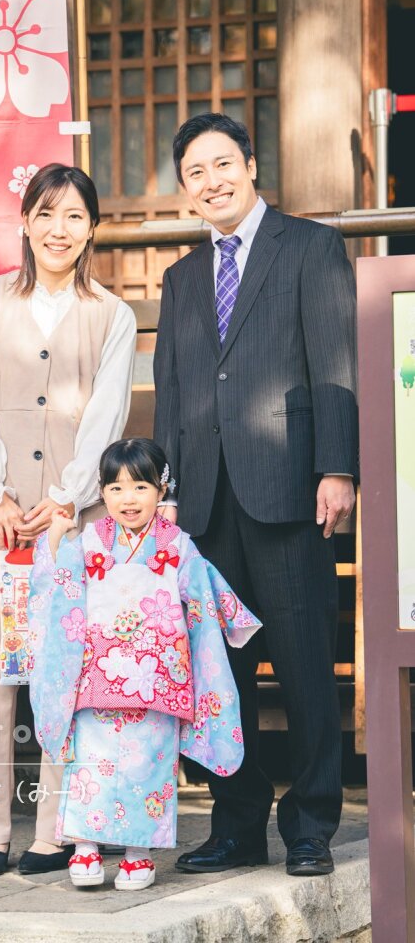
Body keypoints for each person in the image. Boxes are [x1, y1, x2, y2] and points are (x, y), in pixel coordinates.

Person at [153, 113, 358, 877]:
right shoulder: (180, 278)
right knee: (221, 675)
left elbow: (333, 362)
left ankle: (310, 824)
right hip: (205, 504)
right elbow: (171, 394)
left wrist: (336, 468)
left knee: (303, 665)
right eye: (194, 173)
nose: (211, 182)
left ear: (249, 164)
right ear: (185, 191)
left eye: (221, 164)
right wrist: (167, 495)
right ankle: (237, 825)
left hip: (289, 489)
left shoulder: (308, 246)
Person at [0, 164, 137, 877]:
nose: (58, 229)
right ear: (25, 222)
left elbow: (107, 412)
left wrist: (70, 496)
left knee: (63, 677)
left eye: (74, 216)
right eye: (46, 213)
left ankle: (54, 829)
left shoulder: (112, 315)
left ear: (92, 229)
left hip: (69, 523)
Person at [27, 438, 261, 890]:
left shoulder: (178, 545)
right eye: (115, 488)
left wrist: (229, 617)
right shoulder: (89, 541)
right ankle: (85, 847)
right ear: (102, 492)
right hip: (97, 676)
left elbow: (201, 595)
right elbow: (58, 590)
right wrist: (54, 538)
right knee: (90, 764)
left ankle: (138, 854)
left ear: (161, 490)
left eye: (140, 487)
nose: (127, 499)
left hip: (155, 679)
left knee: (148, 766)